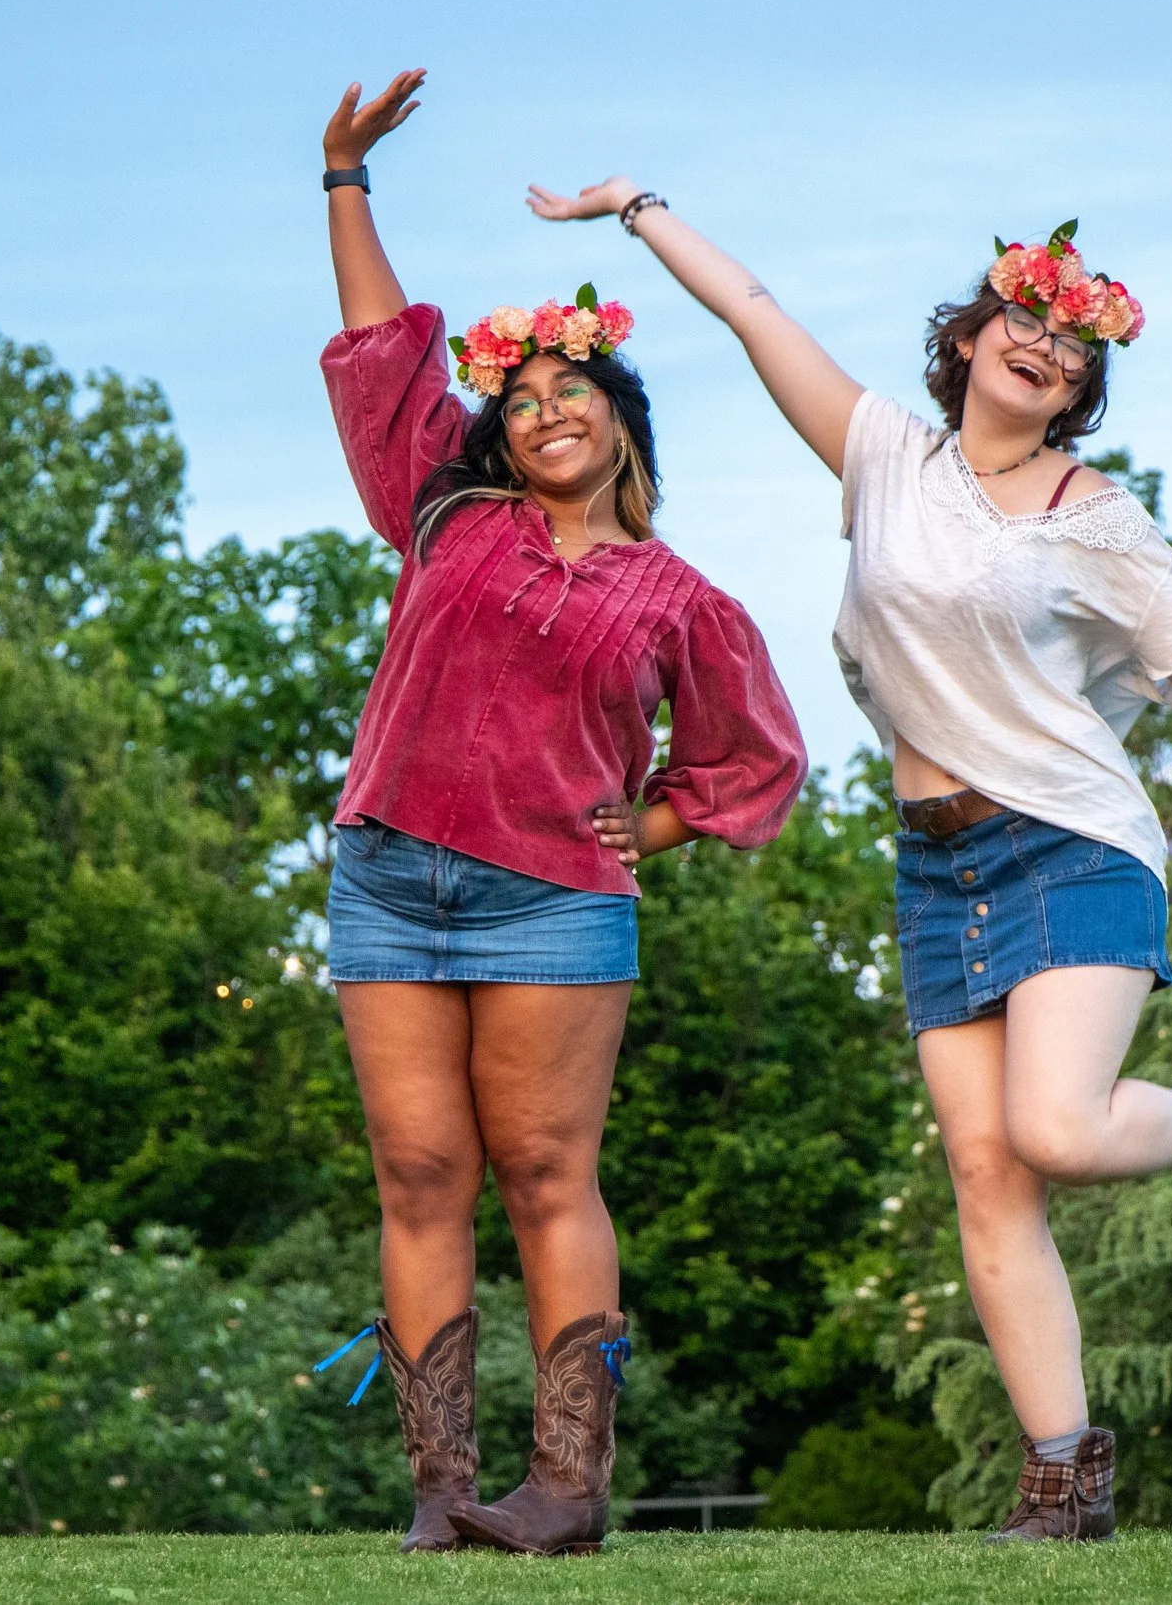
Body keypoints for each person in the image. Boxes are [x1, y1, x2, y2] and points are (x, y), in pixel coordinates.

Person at [531, 179, 1172, 1541]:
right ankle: (1064, 1477)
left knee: (1053, 1123)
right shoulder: (882, 457)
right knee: (988, 1170)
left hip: (1075, 842)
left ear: (1082, 386)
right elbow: (753, 312)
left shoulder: (1097, 520)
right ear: (970, 338)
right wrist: (641, 212)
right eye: (1023, 321)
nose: (1048, 346)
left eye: (1077, 345)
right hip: (933, 864)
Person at [310, 78, 806, 1557]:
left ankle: (568, 1487)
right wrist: (344, 177)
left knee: (543, 1172)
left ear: (618, 415)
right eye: (517, 400)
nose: (541, 410)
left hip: (550, 903)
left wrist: (645, 831)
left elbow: (754, 755)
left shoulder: (682, 598)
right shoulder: (447, 517)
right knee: (418, 1172)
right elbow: (385, 365)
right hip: (388, 875)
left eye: (567, 390)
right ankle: (442, 1488)